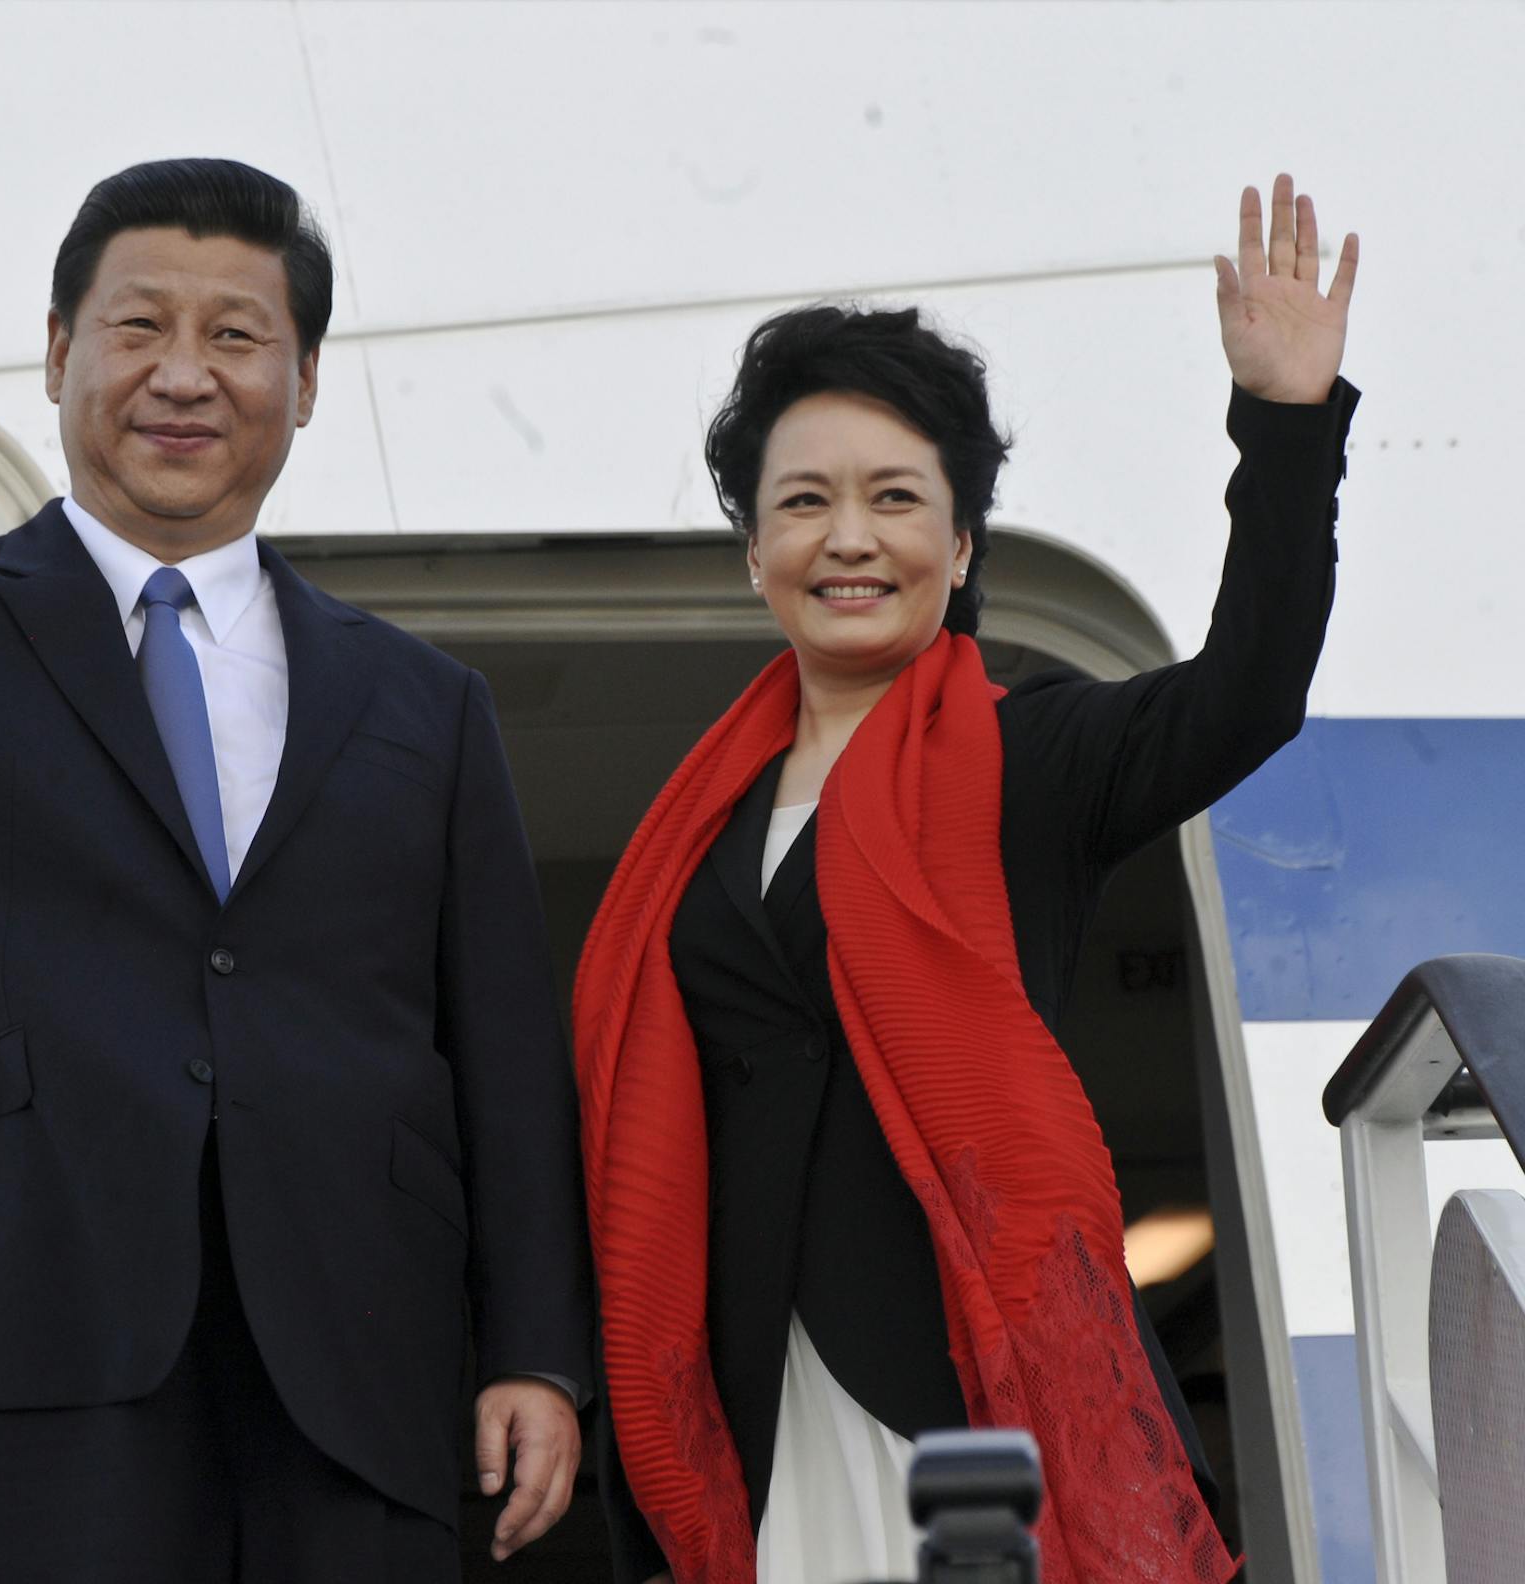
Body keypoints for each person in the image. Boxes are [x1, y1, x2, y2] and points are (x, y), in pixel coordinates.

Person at [0, 124, 592, 1582]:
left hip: (360, 1380)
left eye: (237, 336)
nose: (184, 374)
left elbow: (506, 1055)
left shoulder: (424, 704)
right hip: (43, 1365)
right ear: (56, 353)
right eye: (138, 328)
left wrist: (535, 1349)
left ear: (307, 381)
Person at [574, 177, 1359, 1584]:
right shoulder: (693, 823)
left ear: (966, 544)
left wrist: (1287, 429)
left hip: (971, 1386)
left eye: (896, 498)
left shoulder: (1027, 758)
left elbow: (1247, 695)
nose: (852, 538)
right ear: (757, 553)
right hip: (759, 1392)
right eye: (804, 502)